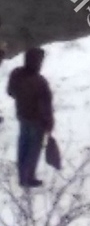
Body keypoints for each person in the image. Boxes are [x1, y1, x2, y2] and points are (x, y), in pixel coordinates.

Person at [6, 47, 54, 187]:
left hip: (22, 116)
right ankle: (29, 178)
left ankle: (22, 176)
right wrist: (49, 122)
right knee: (33, 150)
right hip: (37, 121)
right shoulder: (40, 82)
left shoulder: (16, 73)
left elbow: (10, 92)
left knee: (23, 146)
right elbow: (47, 105)